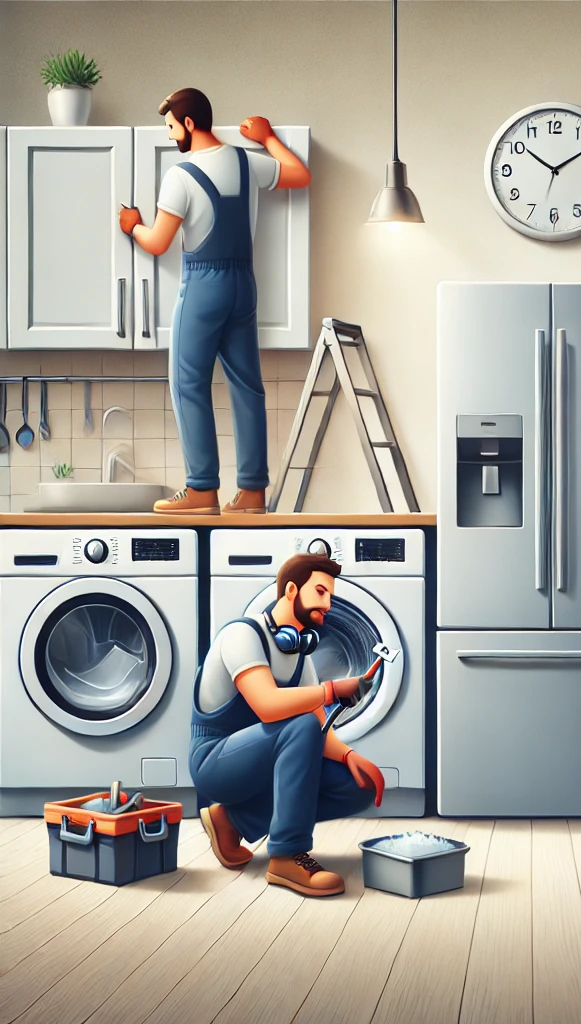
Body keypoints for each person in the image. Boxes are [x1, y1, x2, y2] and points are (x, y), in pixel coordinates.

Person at [118, 87, 312, 515]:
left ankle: (202, 490)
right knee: (247, 387)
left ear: (188, 124)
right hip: (244, 283)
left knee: (188, 383)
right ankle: (252, 492)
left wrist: (133, 225)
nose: (171, 137)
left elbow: (158, 243)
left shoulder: (180, 175)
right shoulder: (248, 162)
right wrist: (267, 138)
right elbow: (300, 175)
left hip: (203, 285)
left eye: (171, 128)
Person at [190, 553, 385, 897]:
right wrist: (331, 690)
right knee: (299, 725)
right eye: (321, 592)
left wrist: (350, 756)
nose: (328, 604)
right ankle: (285, 856)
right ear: (292, 590)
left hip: (262, 762)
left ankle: (230, 821)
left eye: (330, 596)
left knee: (357, 786)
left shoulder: (299, 655)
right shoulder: (242, 635)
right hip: (216, 762)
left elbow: (319, 724)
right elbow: (267, 706)